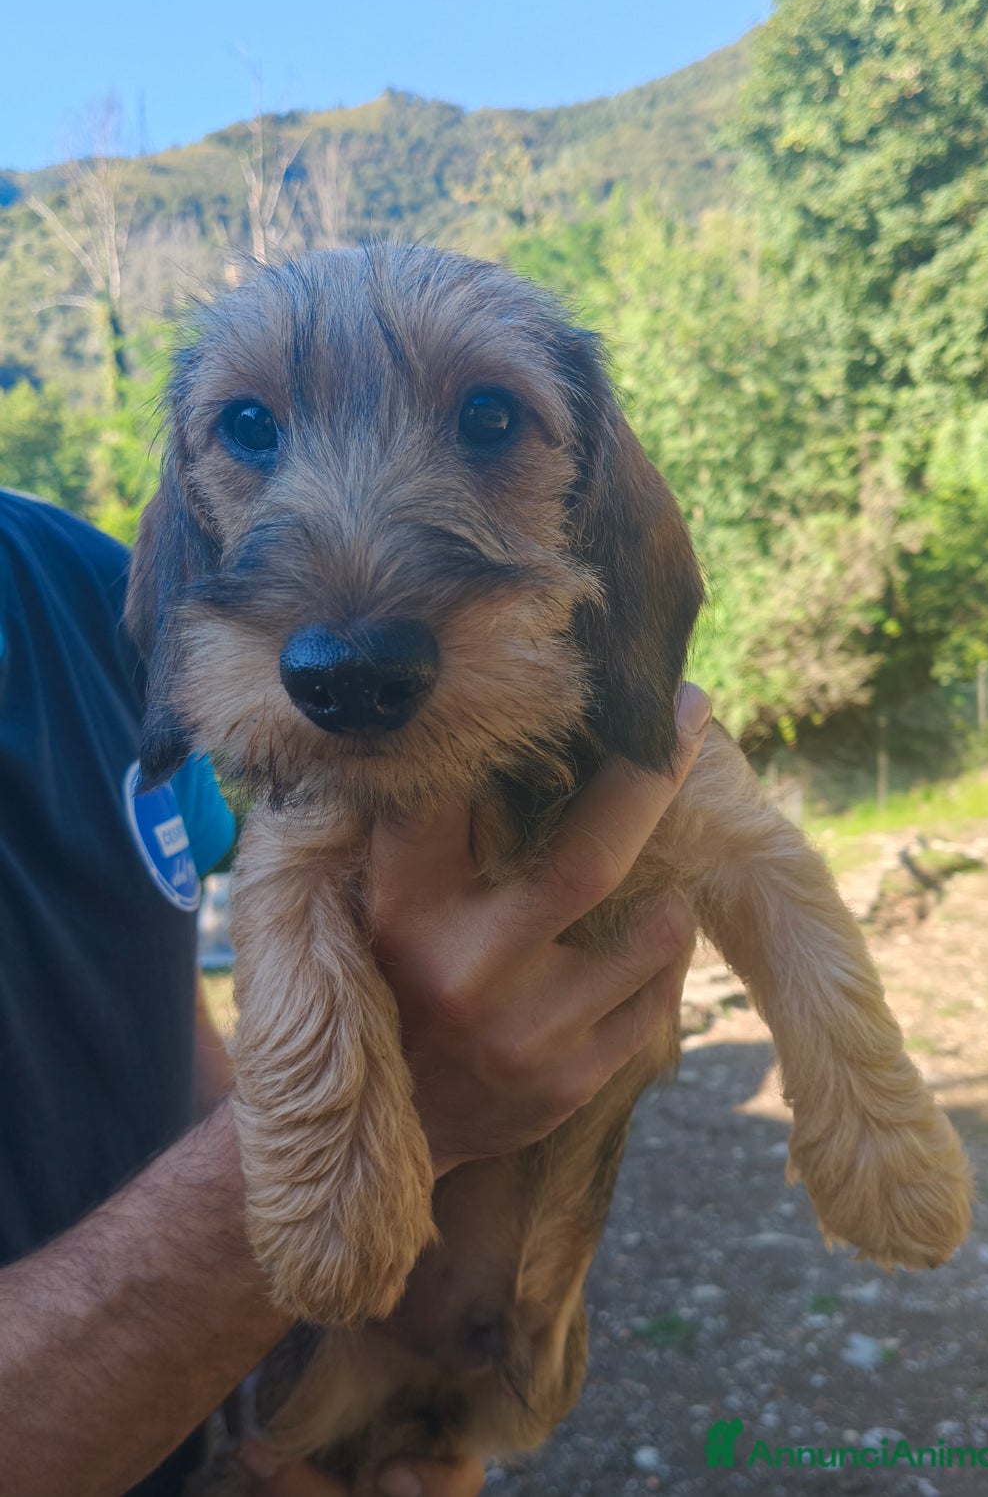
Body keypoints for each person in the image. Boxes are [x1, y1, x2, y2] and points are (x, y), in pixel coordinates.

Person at [0, 489, 709, 1497]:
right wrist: (387, 1117)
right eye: (247, 425)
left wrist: (288, 1367)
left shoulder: (84, 583)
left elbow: (159, 993)